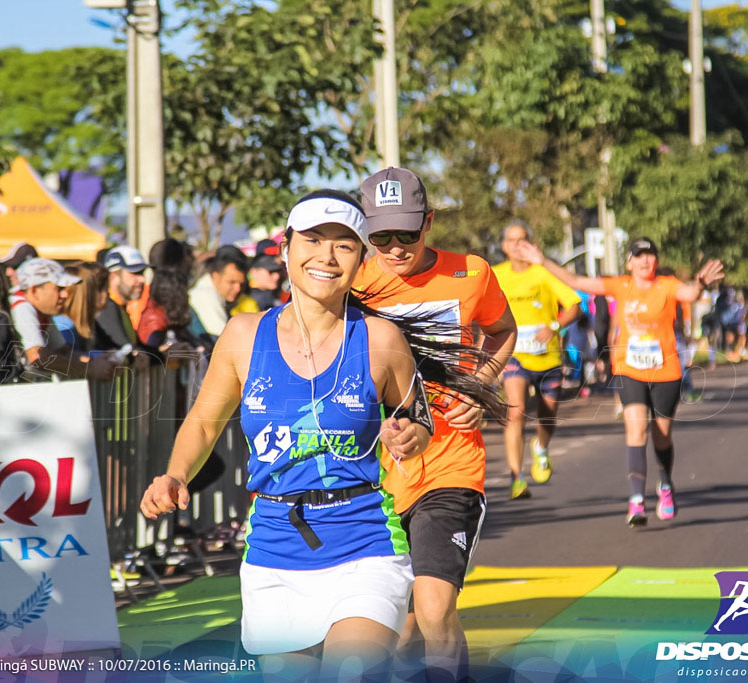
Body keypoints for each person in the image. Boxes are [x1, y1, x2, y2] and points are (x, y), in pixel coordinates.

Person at [140, 189, 500, 679]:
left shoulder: (380, 339)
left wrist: (409, 435)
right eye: (312, 240)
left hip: (364, 543)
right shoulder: (244, 335)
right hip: (273, 547)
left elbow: (418, 417)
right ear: (286, 247)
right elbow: (204, 419)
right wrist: (175, 475)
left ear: (359, 260)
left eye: (344, 244)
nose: (326, 256)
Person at [353, 167, 517, 681]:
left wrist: (482, 383)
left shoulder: (472, 273)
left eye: (408, 232)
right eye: (381, 236)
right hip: (372, 474)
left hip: (452, 463)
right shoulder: (351, 284)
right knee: (397, 632)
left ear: (428, 223)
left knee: (434, 610)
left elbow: (504, 330)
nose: (396, 247)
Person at [516, 237, 724, 527]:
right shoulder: (620, 285)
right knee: (636, 429)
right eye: (639, 256)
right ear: (630, 262)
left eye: (650, 255)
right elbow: (576, 279)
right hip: (629, 370)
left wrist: (701, 282)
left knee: (661, 435)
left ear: (656, 260)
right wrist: (543, 261)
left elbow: (690, 294)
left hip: (665, 372)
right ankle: (636, 500)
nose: (645, 261)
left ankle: (664, 483)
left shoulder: (667, 285)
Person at [492, 221, 580, 500]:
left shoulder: (543, 274)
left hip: (548, 357)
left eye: (523, 240)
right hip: (515, 355)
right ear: (504, 246)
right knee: (515, 411)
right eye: (512, 241)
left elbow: (575, 307)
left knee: (548, 414)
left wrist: (553, 327)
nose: (518, 246)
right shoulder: (495, 276)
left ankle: (541, 446)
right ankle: (516, 477)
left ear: (531, 243)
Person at [188, 247, 250, 339]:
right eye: (231, 282)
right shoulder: (206, 296)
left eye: (241, 284)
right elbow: (225, 340)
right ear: (215, 276)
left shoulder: (207, 292)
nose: (238, 288)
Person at [95, 246, 148, 350]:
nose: (142, 279)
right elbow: (125, 351)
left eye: (142, 273)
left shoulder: (119, 307)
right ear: (113, 277)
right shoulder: (107, 308)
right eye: (135, 273)